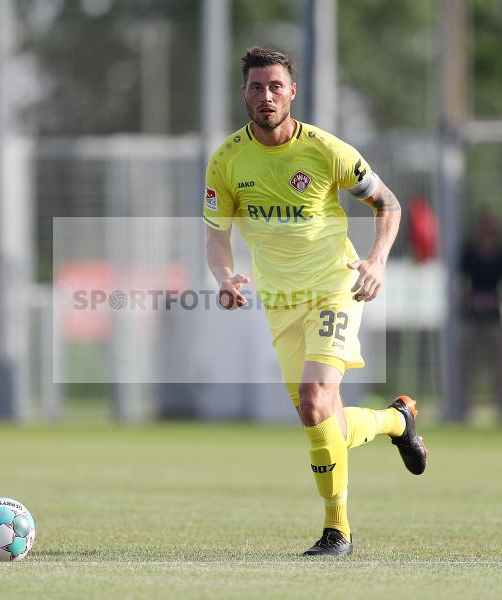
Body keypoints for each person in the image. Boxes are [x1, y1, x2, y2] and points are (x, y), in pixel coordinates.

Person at [203, 47, 427, 557]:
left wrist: (376, 261)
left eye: (275, 87)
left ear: (292, 92)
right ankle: (398, 419)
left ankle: (338, 532)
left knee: (313, 398)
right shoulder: (227, 160)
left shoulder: (327, 150)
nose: (266, 97)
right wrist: (223, 276)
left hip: (334, 287)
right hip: (281, 303)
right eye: (257, 87)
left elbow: (388, 204)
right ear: (244, 93)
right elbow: (216, 235)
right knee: (323, 419)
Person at [456, 213, 502, 424]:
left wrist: (496, 300)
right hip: (471, 318)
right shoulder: (469, 253)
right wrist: (469, 300)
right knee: (466, 365)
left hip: (494, 318)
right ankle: (464, 410)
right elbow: (461, 283)